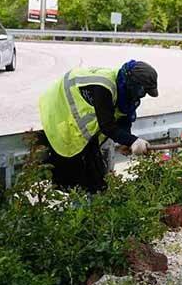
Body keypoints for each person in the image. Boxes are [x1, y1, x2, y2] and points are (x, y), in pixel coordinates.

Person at [38, 61, 158, 193]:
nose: (143, 95)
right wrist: (132, 141)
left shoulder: (124, 91)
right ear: (131, 83)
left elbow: (123, 117)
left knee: (95, 180)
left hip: (81, 125)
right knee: (75, 178)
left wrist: (126, 140)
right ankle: (75, 206)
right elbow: (107, 125)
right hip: (60, 111)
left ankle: (87, 205)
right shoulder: (103, 87)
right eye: (142, 90)